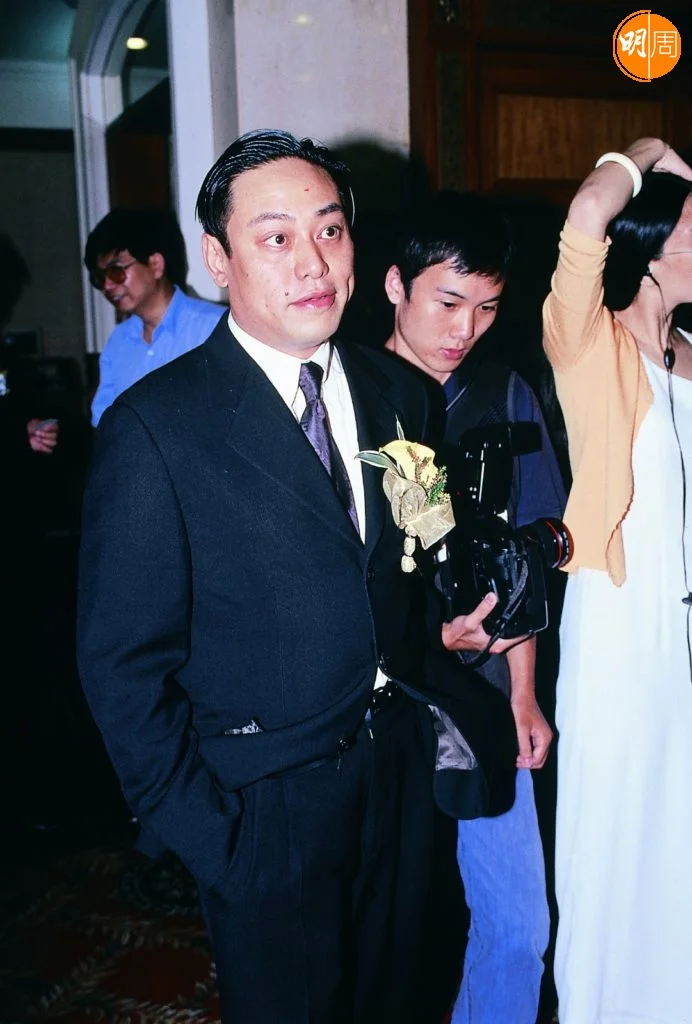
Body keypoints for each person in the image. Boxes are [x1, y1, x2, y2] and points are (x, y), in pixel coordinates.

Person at [76, 130, 486, 1023]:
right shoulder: (154, 430)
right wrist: (215, 839)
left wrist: (454, 616)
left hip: (401, 786)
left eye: (330, 230)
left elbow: (419, 552)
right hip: (265, 807)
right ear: (218, 259)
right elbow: (122, 668)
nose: (313, 262)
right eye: (276, 238)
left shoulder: (401, 396)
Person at [384, 190, 565, 1024]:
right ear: (396, 284)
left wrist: (523, 692)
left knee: (518, 927)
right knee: (396, 940)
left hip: (485, 699)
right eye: (448, 302)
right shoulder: (352, 393)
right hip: (381, 710)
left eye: (487, 308)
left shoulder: (503, 391)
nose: (465, 329)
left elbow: (525, 557)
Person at [543, 138, 692, 1023]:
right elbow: (589, 214)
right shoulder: (587, 343)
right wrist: (650, 154)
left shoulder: (691, 354)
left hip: (686, 633)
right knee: (613, 836)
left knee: (679, 841)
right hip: (621, 626)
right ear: (656, 248)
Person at [84, 208, 224, 425]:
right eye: (99, 278)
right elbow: (104, 422)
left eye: (116, 271)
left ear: (155, 265)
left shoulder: (215, 328)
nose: (107, 286)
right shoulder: (118, 341)